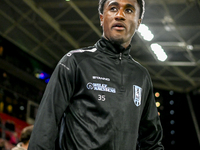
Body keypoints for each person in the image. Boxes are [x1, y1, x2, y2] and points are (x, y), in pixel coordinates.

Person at [28, 0, 164, 149]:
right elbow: (45, 128)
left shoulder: (141, 77)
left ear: (138, 22)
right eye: (113, 8)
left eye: (129, 10)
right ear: (101, 18)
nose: (120, 15)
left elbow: (152, 142)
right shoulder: (74, 62)